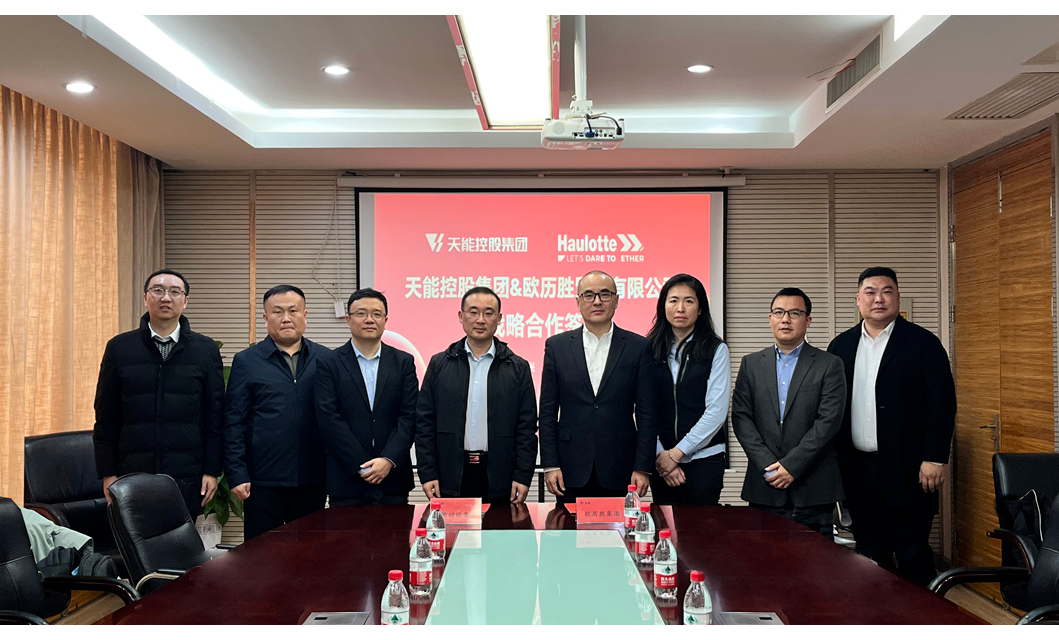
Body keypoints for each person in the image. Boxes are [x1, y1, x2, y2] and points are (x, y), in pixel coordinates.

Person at [827, 267, 956, 586]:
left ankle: (923, 611)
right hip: (858, 468)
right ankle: (876, 610)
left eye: (887, 291)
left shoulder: (923, 343)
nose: (879, 299)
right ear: (858, 299)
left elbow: (942, 404)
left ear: (897, 297)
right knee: (870, 554)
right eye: (870, 292)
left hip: (910, 468)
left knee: (913, 552)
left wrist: (934, 457)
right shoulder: (841, 346)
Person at [93, 269, 224, 518]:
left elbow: (215, 415)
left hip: (187, 474)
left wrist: (211, 470)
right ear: (145, 298)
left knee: (181, 540)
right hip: (132, 472)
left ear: (185, 301)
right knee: (135, 539)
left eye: (175, 292)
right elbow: (105, 416)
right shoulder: (119, 348)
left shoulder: (204, 350)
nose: (166, 297)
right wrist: (108, 473)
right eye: (158, 290)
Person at [731, 287, 846, 536]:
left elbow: (829, 421)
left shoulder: (829, 364)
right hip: (765, 486)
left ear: (808, 320)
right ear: (770, 318)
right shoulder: (751, 364)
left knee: (816, 558)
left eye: (794, 313)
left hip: (813, 486)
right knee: (763, 557)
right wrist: (768, 466)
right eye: (779, 312)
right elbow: (741, 417)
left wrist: (792, 466)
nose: (785, 319)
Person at [415, 287, 538, 504]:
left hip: (500, 475)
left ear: (499, 318)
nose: (481, 320)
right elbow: (425, 423)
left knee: (500, 526)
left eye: (489, 313)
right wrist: (427, 472)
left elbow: (526, 427)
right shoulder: (439, 364)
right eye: (473, 312)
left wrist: (522, 475)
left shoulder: (518, 367)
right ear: (461, 316)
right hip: (450, 474)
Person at [539, 270, 652, 502]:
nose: (597, 301)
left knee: (620, 526)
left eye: (605, 294)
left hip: (620, 465)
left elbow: (646, 413)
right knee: (568, 525)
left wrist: (642, 466)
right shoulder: (557, 347)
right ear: (578, 302)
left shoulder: (638, 347)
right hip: (570, 467)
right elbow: (547, 411)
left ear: (616, 300)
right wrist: (550, 464)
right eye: (589, 295)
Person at [223, 285, 326, 540]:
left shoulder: (325, 359)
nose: (286, 318)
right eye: (278, 312)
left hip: (313, 478)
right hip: (263, 481)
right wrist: (237, 473)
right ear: (266, 317)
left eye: (293, 311)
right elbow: (234, 421)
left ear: (305, 314)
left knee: (310, 553)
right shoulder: (247, 361)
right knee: (262, 555)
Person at [315, 288, 418, 506]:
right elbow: (328, 418)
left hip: (393, 479)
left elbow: (409, 416)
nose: (369, 319)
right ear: (348, 319)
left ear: (385, 320)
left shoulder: (403, 362)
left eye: (376, 314)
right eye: (361, 313)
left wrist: (388, 460)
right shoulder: (329, 363)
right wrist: (362, 465)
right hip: (346, 479)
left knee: (395, 530)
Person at [638, 273, 730, 505]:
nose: (680, 308)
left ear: (700, 309)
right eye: (673, 300)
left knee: (702, 526)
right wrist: (661, 455)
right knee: (664, 525)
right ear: (663, 306)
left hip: (705, 458)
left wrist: (676, 454)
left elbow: (716, 411)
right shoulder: (647, 349)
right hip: (660, 459)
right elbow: (642, 407)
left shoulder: (716, 349)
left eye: (689, 301)